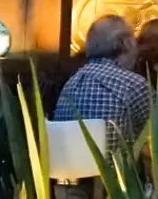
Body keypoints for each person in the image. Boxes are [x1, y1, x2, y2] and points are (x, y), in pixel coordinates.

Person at [54, 15, 151, 146]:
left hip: (68, 166)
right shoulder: (133, 84)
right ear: (126, 43)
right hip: (115, 166)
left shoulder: (71, 83)